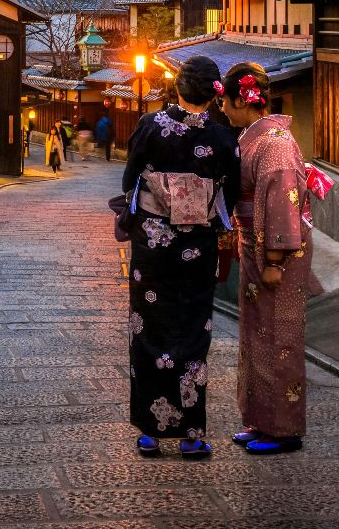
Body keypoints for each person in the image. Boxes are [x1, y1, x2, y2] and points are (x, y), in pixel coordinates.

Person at [121, 55, 240, 459]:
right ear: (213, 93)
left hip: (153, 243)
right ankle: (192, 435)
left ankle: (151, 433)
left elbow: (130, 177)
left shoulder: (150, 125)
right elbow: (232, 192)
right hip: (198, 247)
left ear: (178, 87)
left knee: (149, 327)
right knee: (192, 331)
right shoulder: (223, 137)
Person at [220, 61, 331, 455]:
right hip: (255, 244)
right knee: (256, 332)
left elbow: (283, 203)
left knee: (279, 335)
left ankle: (283, 429)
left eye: (225, 102)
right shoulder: (255, 137)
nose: (223, 109)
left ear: (241, 99)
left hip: (276, 250)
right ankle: (261, 420)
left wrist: (274, 260)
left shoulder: (275, 144)